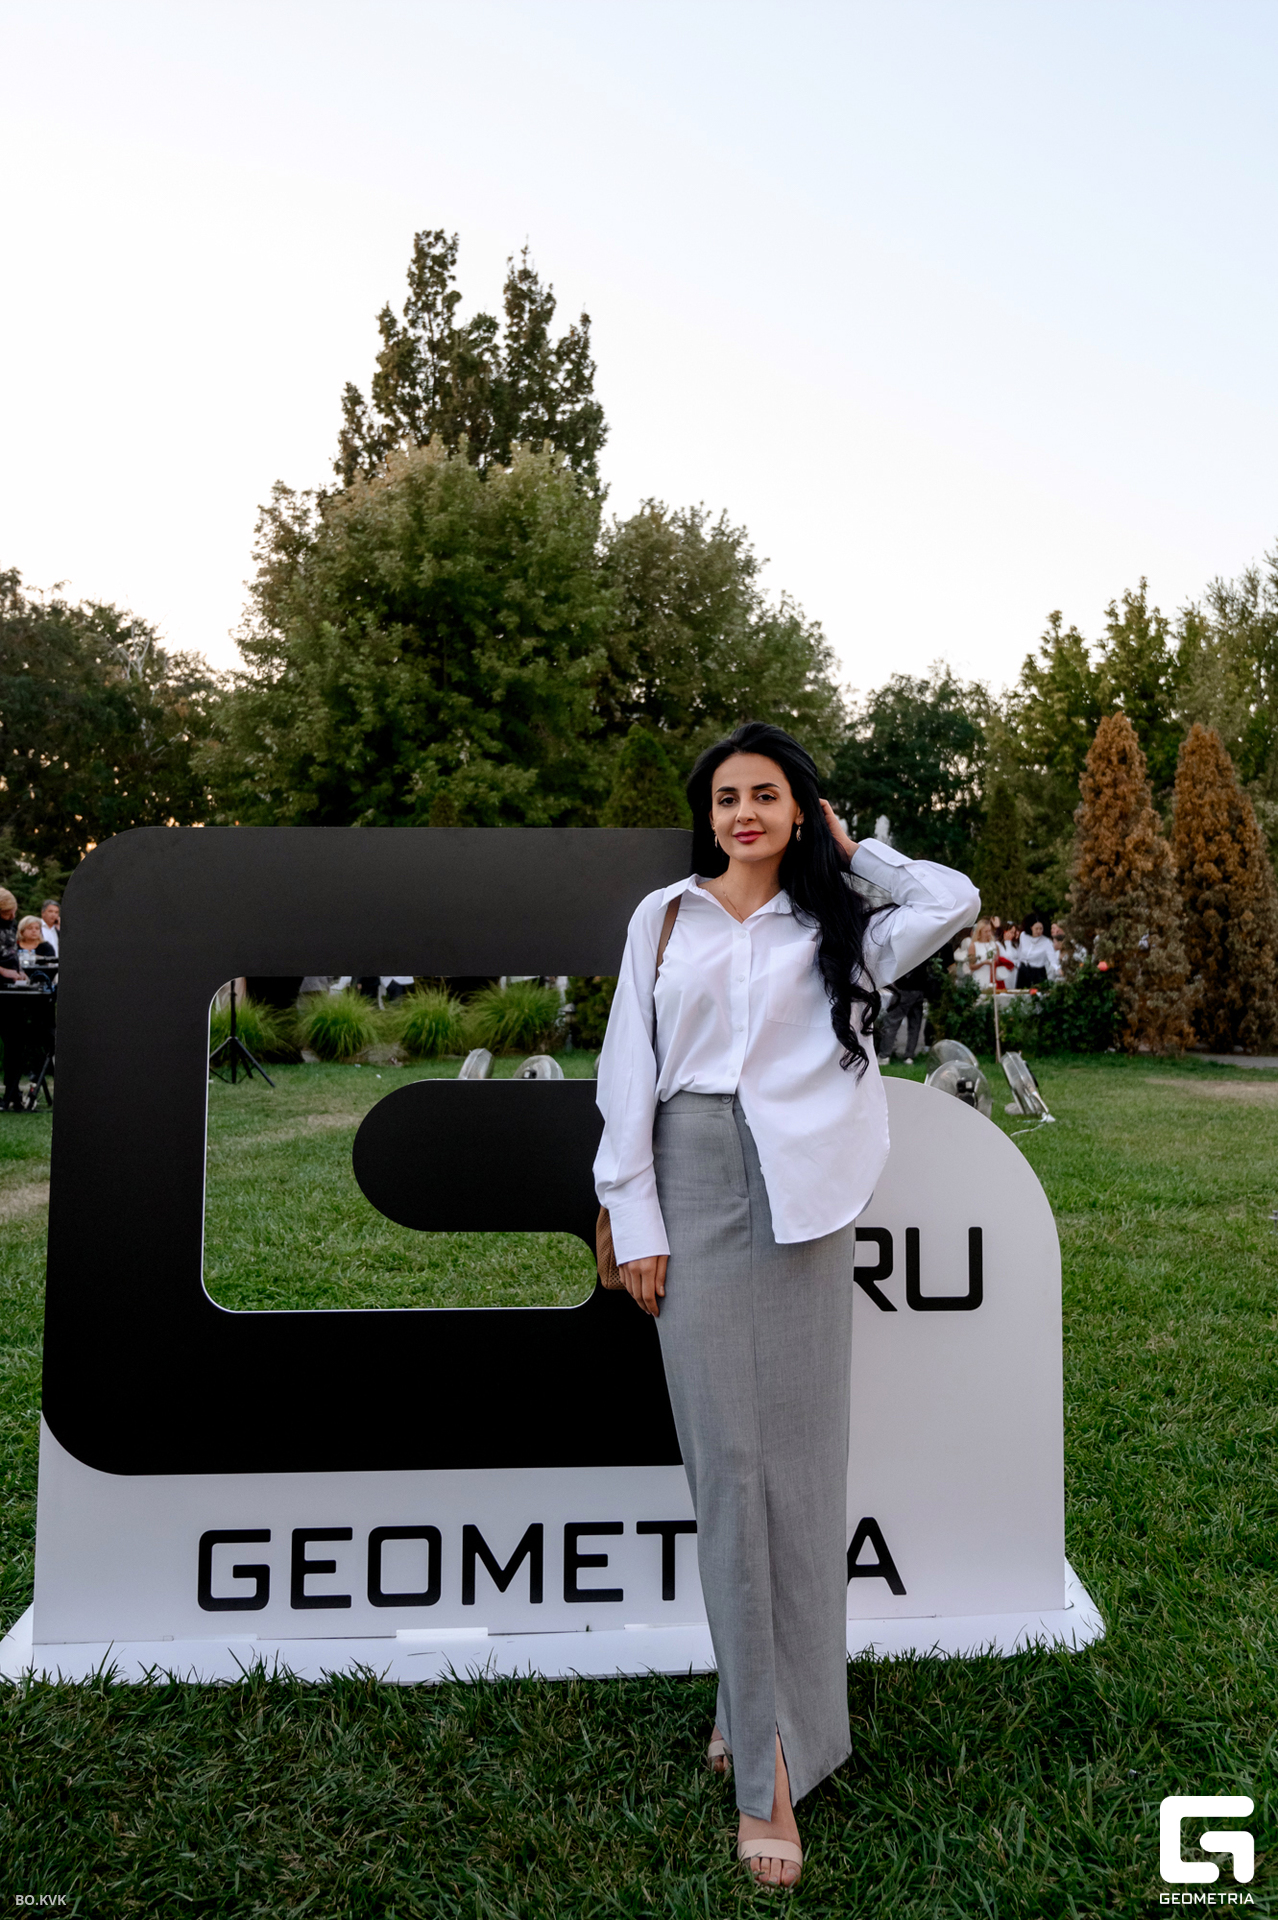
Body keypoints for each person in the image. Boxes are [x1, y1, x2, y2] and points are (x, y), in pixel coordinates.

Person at [593, 720, 977, 1889]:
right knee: (732, 1470)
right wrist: (631, 1212)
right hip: (692, 1177)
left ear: (800, 810)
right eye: (725, 797)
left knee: (802, 1475)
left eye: (765, 794)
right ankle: (766, 1765)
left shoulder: (841, 928)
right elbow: (627, 1070)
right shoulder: (664, 918)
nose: (743, 813)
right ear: (706, 816)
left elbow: (953, 900)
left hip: (805, 1201)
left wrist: (856, 853)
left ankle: (766, 1716)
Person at [876, 955, 930, 1064]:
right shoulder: (922, 949)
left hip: (904, 988)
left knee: (892, 1023)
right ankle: (909, 1056)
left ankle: (884, 1055)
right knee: (915, 1025)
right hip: (919, 988)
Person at [1015, 914, 1060, 988]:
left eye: (1041, 928)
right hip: (1023, 970)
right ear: (1031, 927)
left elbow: (1053, 960)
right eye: (1036, 929)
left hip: (1038, 972)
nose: (1039, 931)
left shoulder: (1046, 942)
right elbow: (1020, 952)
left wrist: (1058, 969)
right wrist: (1018, 965)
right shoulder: (1023, 936)